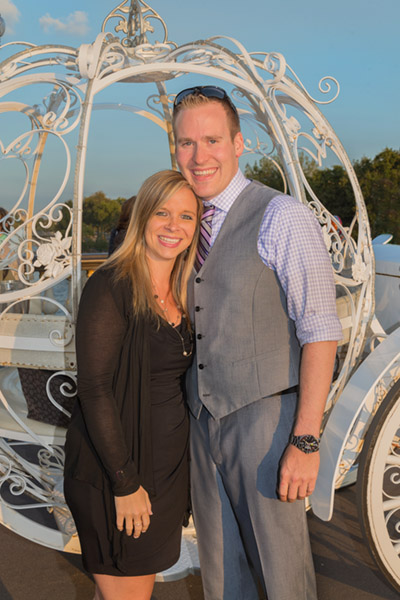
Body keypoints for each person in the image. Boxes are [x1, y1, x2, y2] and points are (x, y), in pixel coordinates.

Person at [172, 86, 343, 600]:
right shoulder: (179, 225)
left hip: (266, 424)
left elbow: (321, 330)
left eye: (212, 140)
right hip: (202, 425)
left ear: (239, 143)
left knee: (282, 575)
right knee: (223, 577)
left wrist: (305, 441)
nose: (199, 157)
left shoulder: (282, 215)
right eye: (185, 143)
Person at [64, 170, 202, 600]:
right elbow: (95, 389)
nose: (173, 226)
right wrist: (125, 484)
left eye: (185, 216)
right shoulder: (110, 286)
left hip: (167, 475)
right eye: (162, 212)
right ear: (142, 216)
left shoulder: (187, 289)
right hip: (118, 473)